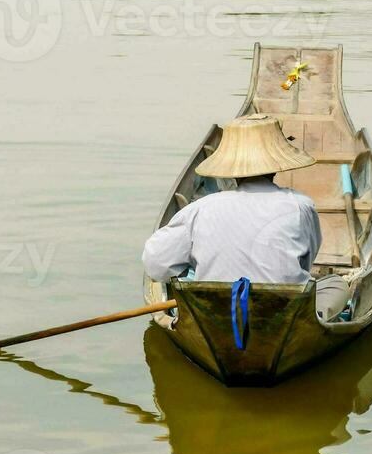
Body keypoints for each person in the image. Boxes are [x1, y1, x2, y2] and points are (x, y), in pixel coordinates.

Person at [142, 114, 350, 321]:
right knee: (336, 285)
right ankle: (316, 322)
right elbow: (306, 260)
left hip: (216, 312)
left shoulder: (201, 208)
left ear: (232, 170)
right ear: (276, 168)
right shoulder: (300, 205)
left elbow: (155, 264)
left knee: (189, 275)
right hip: (283, 312)